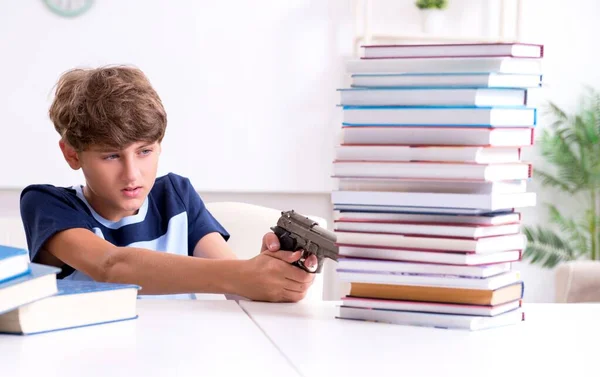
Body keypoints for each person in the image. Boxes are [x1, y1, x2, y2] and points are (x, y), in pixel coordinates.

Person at [19, 65, 316, 301]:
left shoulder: (176, 195)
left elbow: (236, 282)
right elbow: (110, 266)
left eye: (144, 151)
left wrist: (272, 275)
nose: (132, 174)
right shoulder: (46, 204)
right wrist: (244, 274)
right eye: (111, 156)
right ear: (72, 154)